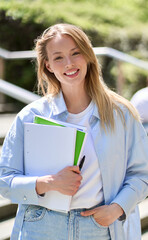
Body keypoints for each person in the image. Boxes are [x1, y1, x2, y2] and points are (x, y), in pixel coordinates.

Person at [0, 23, 148, 240]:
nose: (69, 63)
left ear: (88, 55)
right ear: (48, 65)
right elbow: (5, 181)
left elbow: (141, 175)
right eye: (58, 57)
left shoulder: (122, 114)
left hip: (99, 227)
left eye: (75, 53)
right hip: (41, 226)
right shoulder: (30, 117)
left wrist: (116, 208)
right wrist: (47, 183)